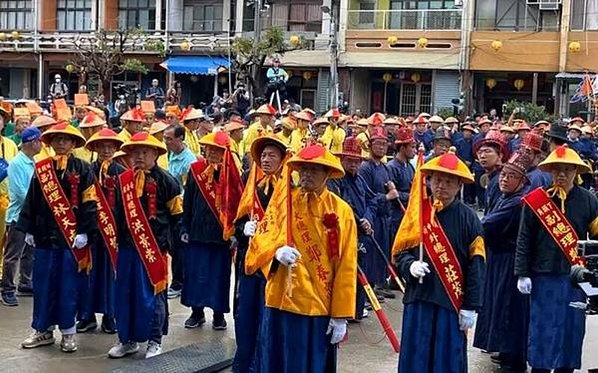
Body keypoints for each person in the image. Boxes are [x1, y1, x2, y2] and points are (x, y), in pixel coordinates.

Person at [245, 144, 358, 373]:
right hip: (281, 299)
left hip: (317, 306)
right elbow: (260, 242)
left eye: (314, 169)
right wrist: (275, 254)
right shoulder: (284, 203)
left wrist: (341, 315)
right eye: (303, 169)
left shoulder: (341, 211)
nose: (307, 174)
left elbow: (347, 265)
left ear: (327, 173)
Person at [393, 149, 486, 373]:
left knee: (447, 360)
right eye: (437, 179)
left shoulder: (469, 218)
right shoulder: (418, 213)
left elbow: (477, 265)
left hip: (451, 303)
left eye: (448, 181)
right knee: (416, 358)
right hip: (419, 298)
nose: (441, 186)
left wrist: (471, 306)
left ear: (459, 185)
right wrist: (410, 265)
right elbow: (400, 253)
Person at [515, 145, 598, 373]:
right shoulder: (536, 201)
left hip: (575, 278)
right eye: (557, 169)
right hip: (543, 276)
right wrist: (522, 273)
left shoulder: (589, 201)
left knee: (571, 329)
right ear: (550, 171)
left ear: (576, 172)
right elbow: (524, 239)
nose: (562, 174)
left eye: (567, 170)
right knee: (542, 329)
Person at [17, 122, 97, 353]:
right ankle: (43, 329)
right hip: (44, 239)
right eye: (56, 139)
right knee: (43, 285)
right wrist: (29, 229)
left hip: (71, 242)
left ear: (73, 143)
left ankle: (68, 332)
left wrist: (84, 231)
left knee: (68, 287)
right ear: (49, 143)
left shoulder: (83, 168)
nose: (61, 143)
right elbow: (31, 200)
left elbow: (90, 204)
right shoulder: (41, 168)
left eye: (66, 139)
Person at [108, 132, 183, 359]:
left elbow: (177, 217)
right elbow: (118, 214)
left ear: (155, 154)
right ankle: (127, 339)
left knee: (152, 297)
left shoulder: (167, 181)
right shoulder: (124, 181)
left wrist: (167, 244)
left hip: (153, 250)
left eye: (144, 152)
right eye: (135, 152)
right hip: (128, 249)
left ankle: (154, 340)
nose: (139, 156)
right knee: (126, 294)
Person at [232, 134, 288, 372]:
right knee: (246, 315)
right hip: (250, 260)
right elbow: (236, 219)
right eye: (263, 155)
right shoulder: (249, 180)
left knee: (269, 317)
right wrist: (242, 228)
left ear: (282, 159)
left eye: (272, 156)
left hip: (275, 264)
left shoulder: (289, 186)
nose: (266, 160)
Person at [473, 152, 532, 372]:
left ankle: (513, 358)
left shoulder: (518, 202)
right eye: (503, 175)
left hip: (510, 260)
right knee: (498, 305)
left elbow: (487, 224)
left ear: (522, 180)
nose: (504, 179)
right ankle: (505, 351)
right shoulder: (505, 196)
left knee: (509, 308)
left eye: (511, 176)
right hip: (498, 257)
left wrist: (467, 226)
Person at [180, 132, 234, 331]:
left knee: (219, 276)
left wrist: (234, 232)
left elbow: (236, 203)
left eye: (217, 150)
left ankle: (218, 315)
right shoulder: (195, 170)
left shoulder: (231, 172)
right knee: (196, 274)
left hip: (221, 236)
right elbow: (188, 201)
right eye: (209, 149)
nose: (211, 153)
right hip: (197, 232)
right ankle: (197, 312)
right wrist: (185, 226)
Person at [75, 128, 125, 334]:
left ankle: (110, 315)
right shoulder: (86, 171)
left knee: (111, 276)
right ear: (94, 148)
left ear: (115, 149)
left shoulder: (122, 173)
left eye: (110, 146)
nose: (106, 150)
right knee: (88, 274)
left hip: (113, 235)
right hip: (91, 233)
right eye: (102, 146)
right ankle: (86, 316)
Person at [328, 136, 377, 321]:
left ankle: (357, 310)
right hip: (344, 232)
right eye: (349, 160)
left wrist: (367, 219)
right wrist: (358, 221)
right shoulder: (335, 180)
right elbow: (341, 206)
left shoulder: (360, 179)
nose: (353, 164)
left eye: (356, 161)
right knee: (345, 273)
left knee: (362, 271)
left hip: (363, 231)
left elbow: (372, 200)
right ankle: (344, 310)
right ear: (341, 160)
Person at [0, 127, 42, 306]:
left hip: (31, 215)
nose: (41, 145)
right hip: (18, 216)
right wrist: (39, 202)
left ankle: (25, 282)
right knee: (13, 254)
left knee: (29, 251)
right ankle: (7, 288)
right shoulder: (17, 163)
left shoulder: (33, 162)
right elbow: (19, 193)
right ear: (33, 142)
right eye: (39, 141)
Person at [358, 127, 400, 298]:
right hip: (372, 216)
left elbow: (390, 187)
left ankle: (378, 285)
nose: (381, 147)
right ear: (370, 145)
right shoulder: (365, 168)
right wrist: (387, 196)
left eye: (384, 144)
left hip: (385, 217)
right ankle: (368, 291)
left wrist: (392, 190)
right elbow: (367, 195)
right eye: (378, 144)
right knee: (370, 254)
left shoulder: (384, 167)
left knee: (382, 252)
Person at [387, 128, 416, 234]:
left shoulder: (410, 167)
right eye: (412, 147)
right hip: (396, 216)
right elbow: (392, 194)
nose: (415, 151)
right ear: (403, 148)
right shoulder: (391, 167)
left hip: (409, 213)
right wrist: (411, 196)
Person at [474, 130, 509, 214]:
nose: (482, 156)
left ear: (500, 155)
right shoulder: (492, 178)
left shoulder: (500, 181)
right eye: (480, 152)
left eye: (487, 151)